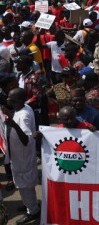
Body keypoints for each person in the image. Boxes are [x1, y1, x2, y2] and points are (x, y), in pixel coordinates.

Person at [4, 88, 40, 224]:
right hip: (21, 156)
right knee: (26, 186)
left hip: (22, 158)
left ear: (18, 100)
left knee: (24, 186)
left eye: (10, 97)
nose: (7, 99)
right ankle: (29, 204)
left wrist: (12, 123)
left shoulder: (24, 115)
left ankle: (33, 211)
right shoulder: (24, 108)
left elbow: (25, 140)